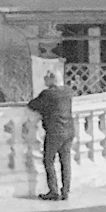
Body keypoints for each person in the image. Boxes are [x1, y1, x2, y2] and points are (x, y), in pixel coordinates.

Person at [27, 72, 75, 200]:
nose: (44, 79)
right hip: (69, 130)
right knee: (65, 161)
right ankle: (65, 191)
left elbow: (33, 105)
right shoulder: (68, 92)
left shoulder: (48, 94)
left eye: (46, 77)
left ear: (52, 80)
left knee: (48, 160)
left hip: (55, 131)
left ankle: (53, 190)